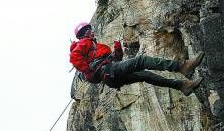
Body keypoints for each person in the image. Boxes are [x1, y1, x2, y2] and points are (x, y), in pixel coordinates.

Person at [70, 22, 203, 95]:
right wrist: (88, 70)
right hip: (107, 71)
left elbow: (117, 59)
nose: (90, 31)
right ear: (83, 34)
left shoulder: (97, 47)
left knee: (146, 75)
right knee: (141, 61)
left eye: (89, 29)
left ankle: (182, 86)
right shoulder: (84, 43)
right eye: (87, 30)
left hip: (111, 77)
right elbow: (75, 57)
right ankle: (181, 66)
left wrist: (117, 49)